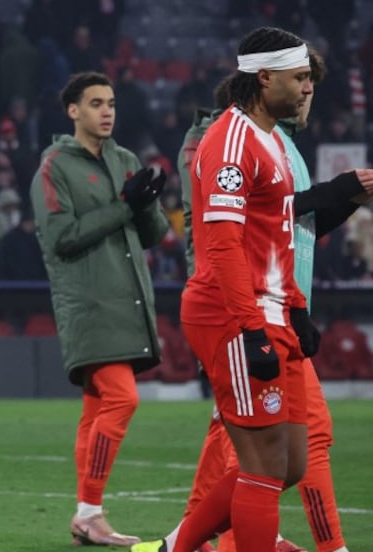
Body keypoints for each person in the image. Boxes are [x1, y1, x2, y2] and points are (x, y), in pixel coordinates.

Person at [140, 47, 369, 552]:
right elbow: (222, 243)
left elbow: (281, 233)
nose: (309, 89)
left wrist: (296, 307)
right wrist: (251, 328)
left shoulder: (275, 144)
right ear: (266, 79)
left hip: (273, 308)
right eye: (301, 78)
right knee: (264, 465)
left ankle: (177, 545)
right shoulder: (229, 138)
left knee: (288, 463)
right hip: (238, 313)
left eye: (311, 79)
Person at [30, 71, 169, 547]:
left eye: (111, 102)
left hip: (129, 301)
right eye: (95, 103)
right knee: (122, 399)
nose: (106, 111)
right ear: (73, 111)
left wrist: (148, 203)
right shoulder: (54, 166)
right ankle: (90, 511)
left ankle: (87, 516)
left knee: (94, 411)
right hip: (88, 304)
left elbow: (152, 237)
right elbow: (59, 238)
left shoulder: (125, 159)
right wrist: (124, 207)